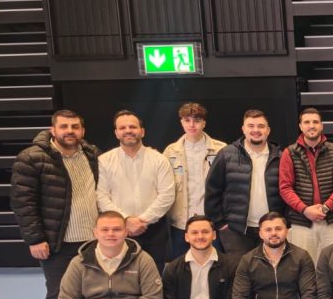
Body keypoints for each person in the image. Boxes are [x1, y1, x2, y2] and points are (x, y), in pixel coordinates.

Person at [11, 109, 99, 299]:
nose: (69, 131)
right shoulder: (32, 158)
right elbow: (23, 202)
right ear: (53, 130)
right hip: (57, 242)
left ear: (82, 130)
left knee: (90, 293)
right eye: (64, 126)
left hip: (92, 240)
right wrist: (35, 238)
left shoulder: (92, 155)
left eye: (75, 127)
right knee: (59, 293)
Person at [96, 110, 174, 272]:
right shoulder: (104, 161)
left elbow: (167, 196)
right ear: (116, 133)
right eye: (122, 128)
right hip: (119, 231)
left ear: (142, 131)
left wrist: (142, 221)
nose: (128, 131)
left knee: (153, 276)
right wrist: (126, 220)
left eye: (132, 127)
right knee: (121, 278)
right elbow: (101, 196)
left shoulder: (159, 160)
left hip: (154, 230)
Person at [278, 107, 333, 263]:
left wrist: (325, 208)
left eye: (315, 122)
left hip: (332, 220)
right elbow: (285, 188)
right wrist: (305, 210)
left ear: (321, 125)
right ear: (300, 126)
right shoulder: (289, 153)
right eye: (307, 122)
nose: (311, 126)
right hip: (302, 222)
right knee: (304, 266)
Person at [205, 109, 284, 254]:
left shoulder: (281, 157)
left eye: (261, 126)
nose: (256, 130)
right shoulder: (226, 154)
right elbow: (212, 190)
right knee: (238, 269)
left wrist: (285, 223)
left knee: (270, 269)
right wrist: (220, 223)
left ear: (268, 130)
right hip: (235, 231)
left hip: (271, 229)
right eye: (251, 126)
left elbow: (288, 191)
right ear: (243, 129)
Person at [163, 102, 227, 259]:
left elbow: (229, 187)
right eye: (187, 120)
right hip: (181, 223)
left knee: (215, 264)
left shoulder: (221, 149)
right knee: (182, 266)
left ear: (204, 123)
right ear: (181, 122)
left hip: (212, 221)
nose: (192, 125)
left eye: (197, 120)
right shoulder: (170, 152)